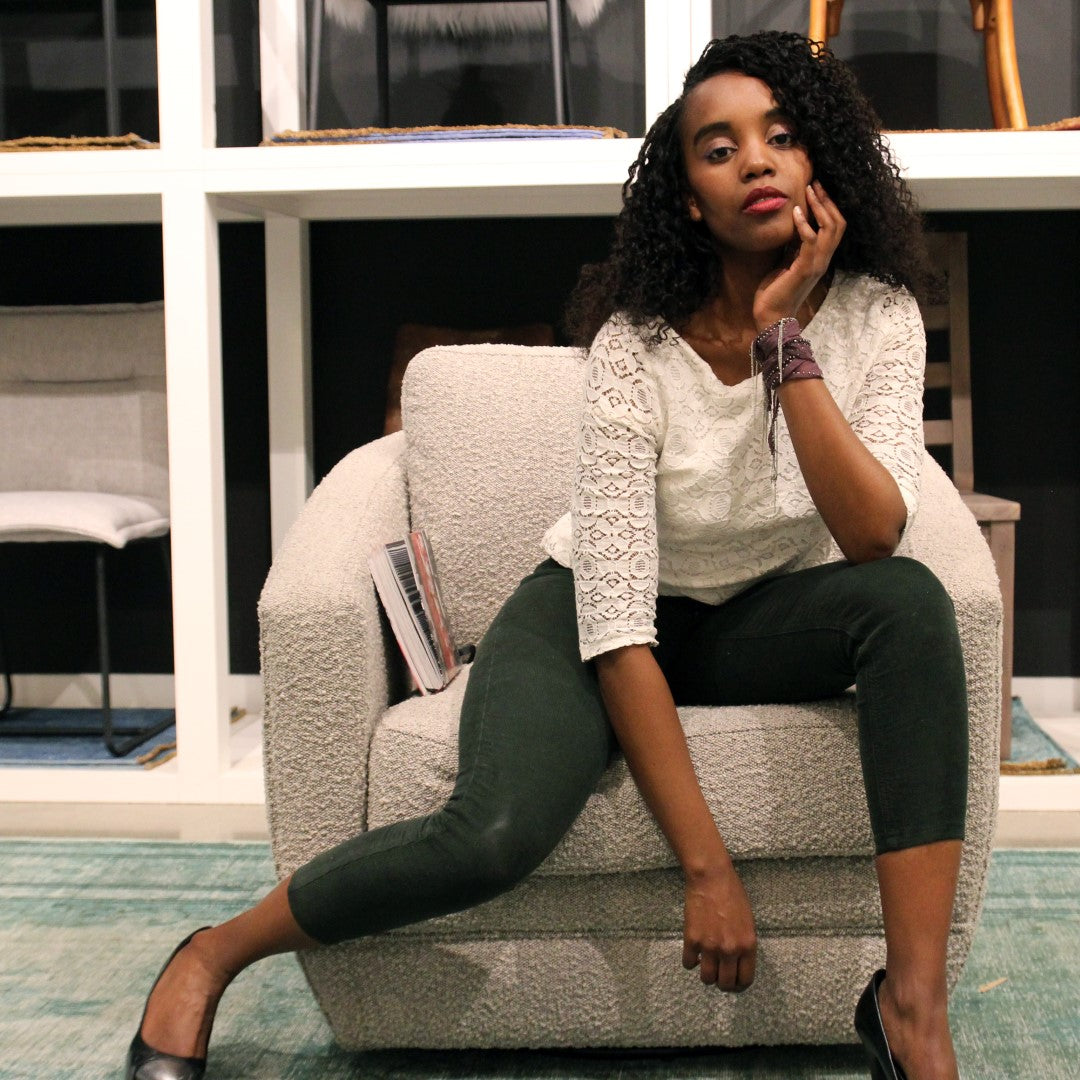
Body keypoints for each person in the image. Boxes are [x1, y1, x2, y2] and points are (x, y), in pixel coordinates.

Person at [126, 31, 967, 1080]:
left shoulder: (879, 317)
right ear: (688, 199)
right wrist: (706, 867)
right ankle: (214, 954)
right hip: (586, 617)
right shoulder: (635, 347)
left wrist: (783, 340)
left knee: (910, 601)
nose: (755, 160)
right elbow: (617, 621)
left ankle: (910, 1007)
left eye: (782, 136)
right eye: (719, 149)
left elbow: (872, 533)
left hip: (756, 618)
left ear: (821, 164)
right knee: (492, 835)